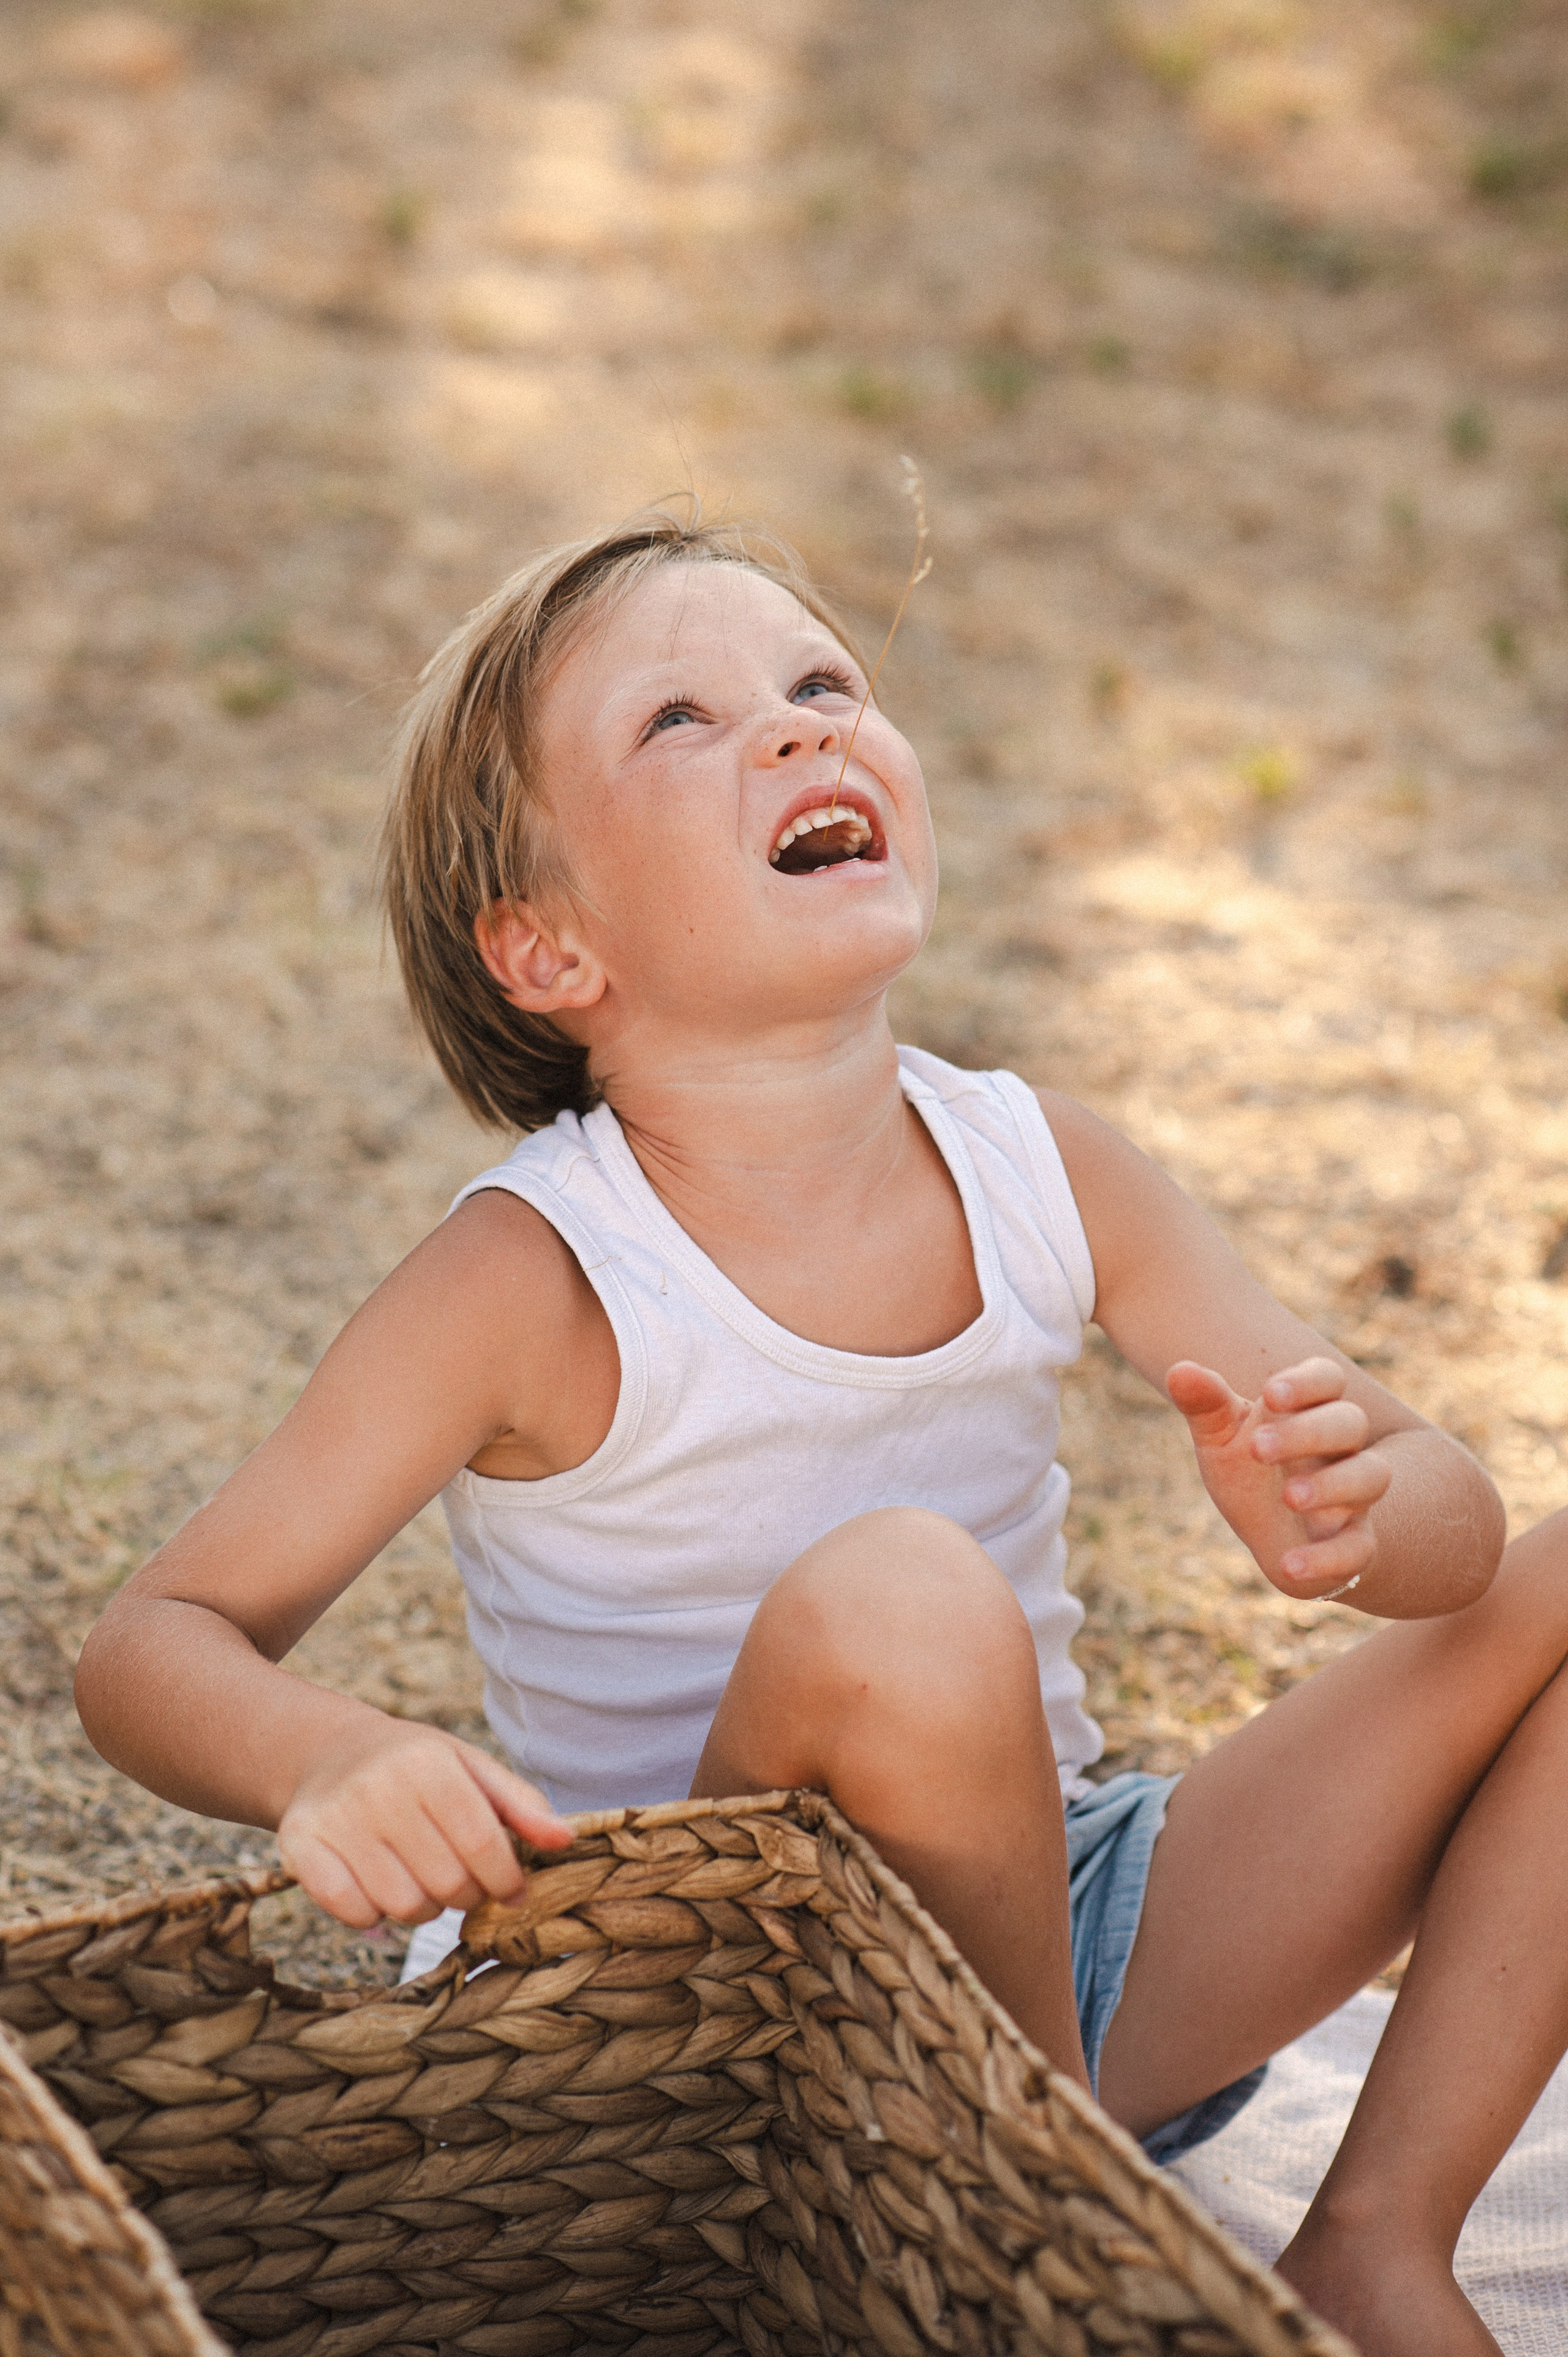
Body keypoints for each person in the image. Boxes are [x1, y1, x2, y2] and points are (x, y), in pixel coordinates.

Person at [76, 510, 1566, 2357]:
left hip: (1066, 1943)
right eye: (680, 722)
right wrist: (328, 1760)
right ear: (546, 950)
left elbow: (1457, 1542)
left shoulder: (1048, 1166)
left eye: (822, 682)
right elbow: (151, 1647)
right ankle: (1039, 2266)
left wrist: (1364, 1506)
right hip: (706, 2023)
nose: (796, 729)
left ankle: (1375, 2234)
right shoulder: (532, 1279)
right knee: (900, 1607)